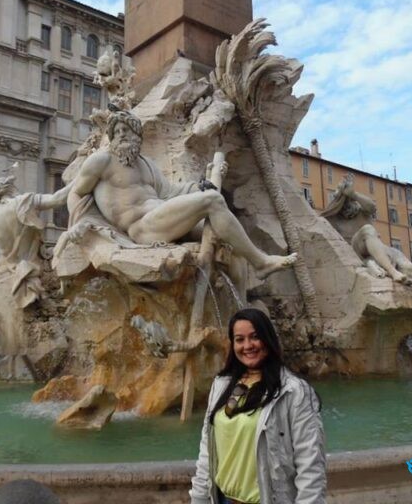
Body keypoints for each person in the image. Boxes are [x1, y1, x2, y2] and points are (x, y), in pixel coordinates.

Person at [61, 110, 297, 279]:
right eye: (117, 131)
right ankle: (261, 262)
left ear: (137, 135)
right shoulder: (102, 161)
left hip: (161, 217)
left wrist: (200, 185)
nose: (121, 134)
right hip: (141, 228)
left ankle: (241, 309)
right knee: (213, 201)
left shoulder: (147, 164)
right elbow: (76, 193)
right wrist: (85, 225)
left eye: (127, 130)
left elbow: (171, 193)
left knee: (227, 239)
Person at [190, 308, 326, 504]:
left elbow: (310, 465)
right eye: (239, 339)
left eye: (255, 337)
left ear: (268, 339)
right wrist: (199, 499)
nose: (247, 346)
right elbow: (207, 453)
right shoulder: (222, 385)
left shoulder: (294, 391)